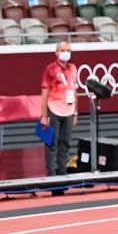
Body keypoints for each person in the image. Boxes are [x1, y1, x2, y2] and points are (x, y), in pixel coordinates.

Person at [39, 41, 77, 176]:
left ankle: (62, 173)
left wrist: (75, 113)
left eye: (68, 50)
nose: (65, 53)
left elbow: (74, 90)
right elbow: (44, 93)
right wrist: (44, 116)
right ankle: (51, 175)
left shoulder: (73, 68)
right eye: (62, 50)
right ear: (56, 53)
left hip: (68, 111)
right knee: (51, 144)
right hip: (53, 110)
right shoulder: (50, 69)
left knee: (65, 143)